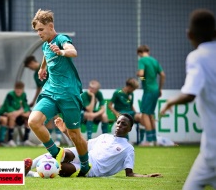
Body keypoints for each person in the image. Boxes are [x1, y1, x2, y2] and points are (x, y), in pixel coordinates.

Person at [29, 9, 91, 176]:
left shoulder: (61, 39)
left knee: (74, 135)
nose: (39, 33)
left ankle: (85, 165)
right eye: (37, 30)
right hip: (50, 91)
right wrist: (42, 69)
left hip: (69, 94)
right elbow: (46, 54)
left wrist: (61, 51)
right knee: (33, 121)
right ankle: (57, 153)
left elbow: (73, 51)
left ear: (51, 26)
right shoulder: (45, 44)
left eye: (41, 29)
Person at [160, 9, 216, 190]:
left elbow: (190, 94)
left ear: (189, 34)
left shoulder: (197, 57)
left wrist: (170, 102)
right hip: (208, 151)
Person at [24, 114, 162, 178]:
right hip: (86, 156)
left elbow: (129, 174)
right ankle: (22, 169)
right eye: (118, 122)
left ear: (130, 129)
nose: (119, 125)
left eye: (124, 124)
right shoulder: (105, 137)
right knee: (58, 153)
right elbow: (81, 145)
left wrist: (146, 176)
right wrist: (65, 131)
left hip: (92, 169)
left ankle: (32, 174)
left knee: (60, 168)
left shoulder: (128, 149)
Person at [24, 55, 62, 146]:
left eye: (29, 67)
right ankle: (49, 141)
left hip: (56, 94)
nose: (30, 69)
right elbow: (39, 88)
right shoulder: (35, 75)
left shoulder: (47, 67)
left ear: (32, 63)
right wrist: (34, 100)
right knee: (47, 116)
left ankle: (58, 139)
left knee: (56, 116)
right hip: (47, 96)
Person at [137, 45, 165, 146]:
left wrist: (143, 80)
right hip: (156, 89)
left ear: (139, 53)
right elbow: (162, 75)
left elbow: (141, 74)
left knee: (144, 114)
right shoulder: (155, 61)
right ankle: (154, 139)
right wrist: (160, 88)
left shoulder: (142, 60)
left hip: (148, 90)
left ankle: (148, 141)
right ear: (148, 51)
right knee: (150, 114)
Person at [0, 81, 34, 147]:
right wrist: (20, 112)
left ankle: (26, 140)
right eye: (17, 89)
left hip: (19, 114)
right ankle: (10, 140)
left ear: (23, 89)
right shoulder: (10, 95)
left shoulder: (24, 95)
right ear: (14, 88)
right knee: (12, 115)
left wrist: (21, 112)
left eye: (20, 89)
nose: (18, 91)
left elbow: (26, 107)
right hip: (5, 114)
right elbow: (8, 108)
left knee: (29, 116)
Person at [108, 78, 144, 142]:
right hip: (121, 113)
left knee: (141, 117)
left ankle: (141, 141)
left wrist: (136, 113)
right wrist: (116, 113)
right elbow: (109, 105)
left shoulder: (131, 94)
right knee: (124, 119)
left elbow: (131, 105)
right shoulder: (117, 92)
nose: (133, 91)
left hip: (130, 113)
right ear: (129, 87)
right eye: (133, 89)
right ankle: (125, 141)